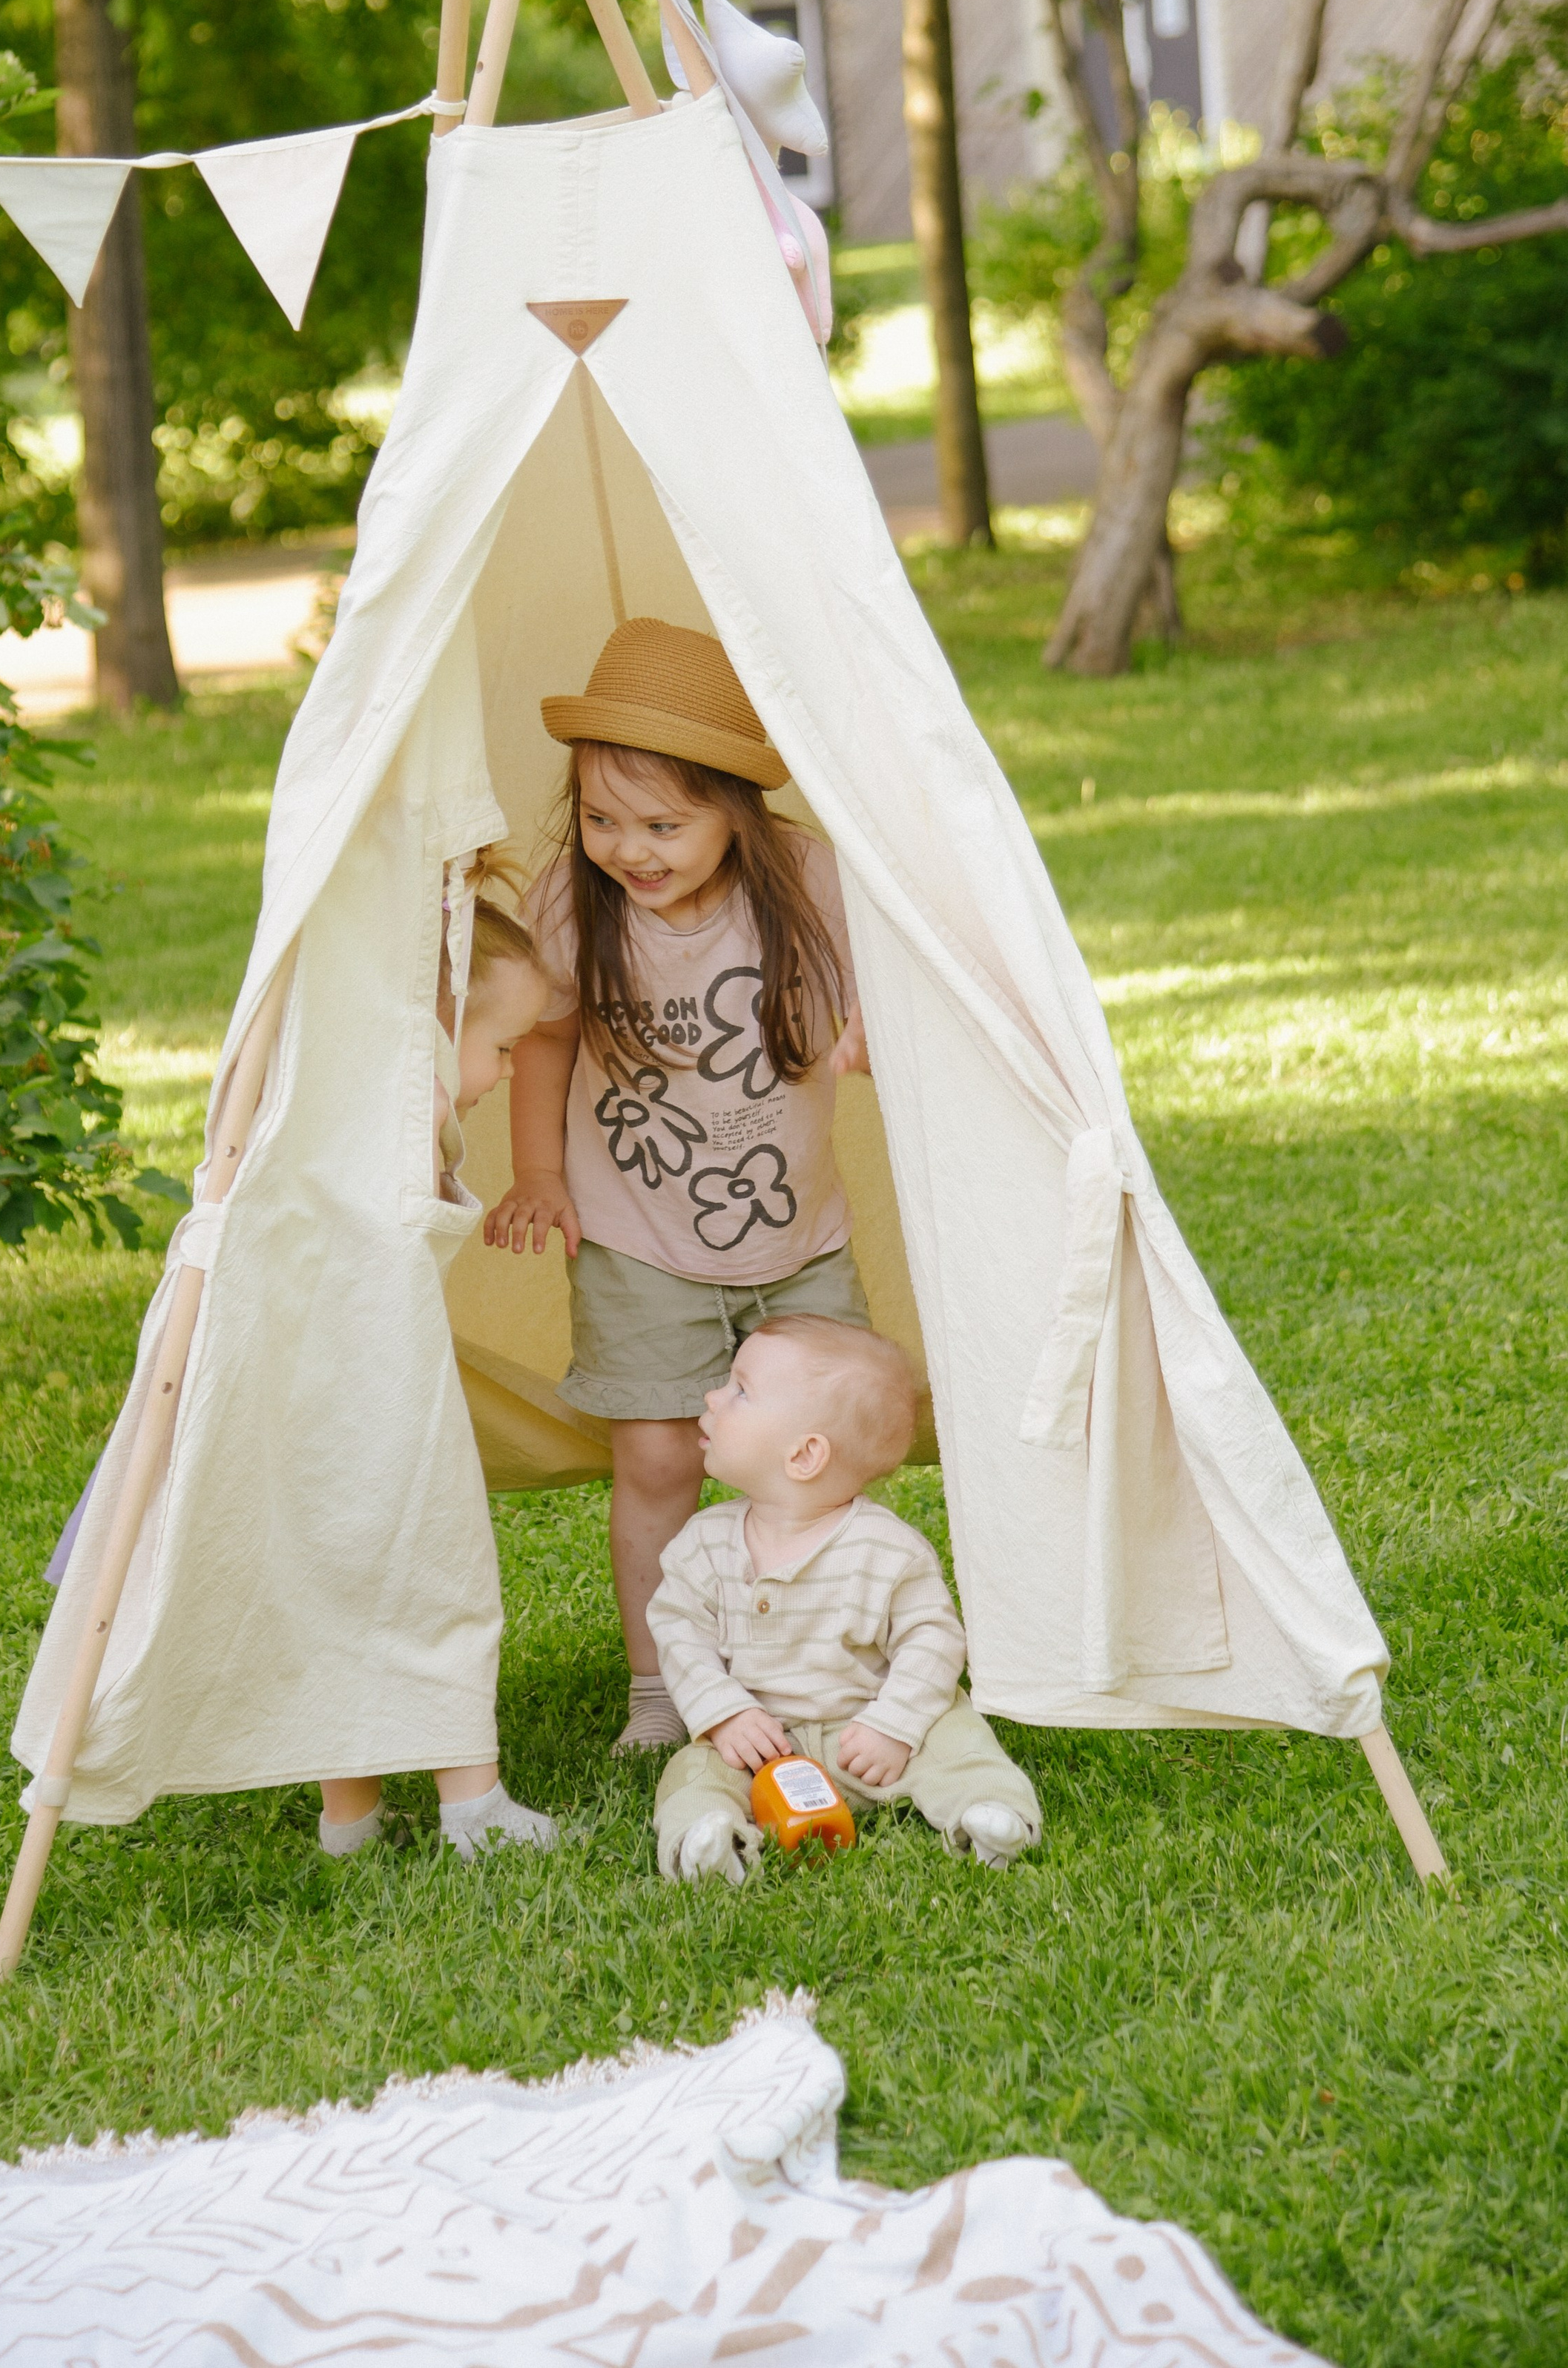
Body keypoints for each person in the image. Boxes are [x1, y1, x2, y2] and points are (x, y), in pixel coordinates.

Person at [484, 616, 873, 1754]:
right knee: (656, 1457)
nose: (630, 847)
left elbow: (895, 973)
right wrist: (542, 1173)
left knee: (818, 1453)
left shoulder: (804, 877)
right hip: (637, 1234)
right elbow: (544, 1041)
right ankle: (662, 1684)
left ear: (735, 809)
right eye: (604, 818)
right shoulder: (575, 899)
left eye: (664, 822)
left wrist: (876, 1031)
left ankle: (823, 1660)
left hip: (799, 1236)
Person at [316, 862, 560, 1864]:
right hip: (377, 1390)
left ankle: (351, 1817)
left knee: (344, 1589)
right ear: (439, 1018)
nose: (506, 1070)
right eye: (501, 1045)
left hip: (323, 1398)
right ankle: (473, 1802)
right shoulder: (404, 1102)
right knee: (437, 1568)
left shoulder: (339, 1095)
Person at [648, 1315, 1042, 1881]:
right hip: (759, 1745)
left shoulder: (888, 1551)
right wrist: (724, 1712)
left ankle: (990, 1813)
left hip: (871, 1732)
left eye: (740, 1390)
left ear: (804, 1455)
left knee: (956, 1737)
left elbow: (932, 1640)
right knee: (693, 1772)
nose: (714, 1395)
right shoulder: (701, 1545)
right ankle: (707, 1839)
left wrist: (895, 1723)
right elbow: (679, 1632)